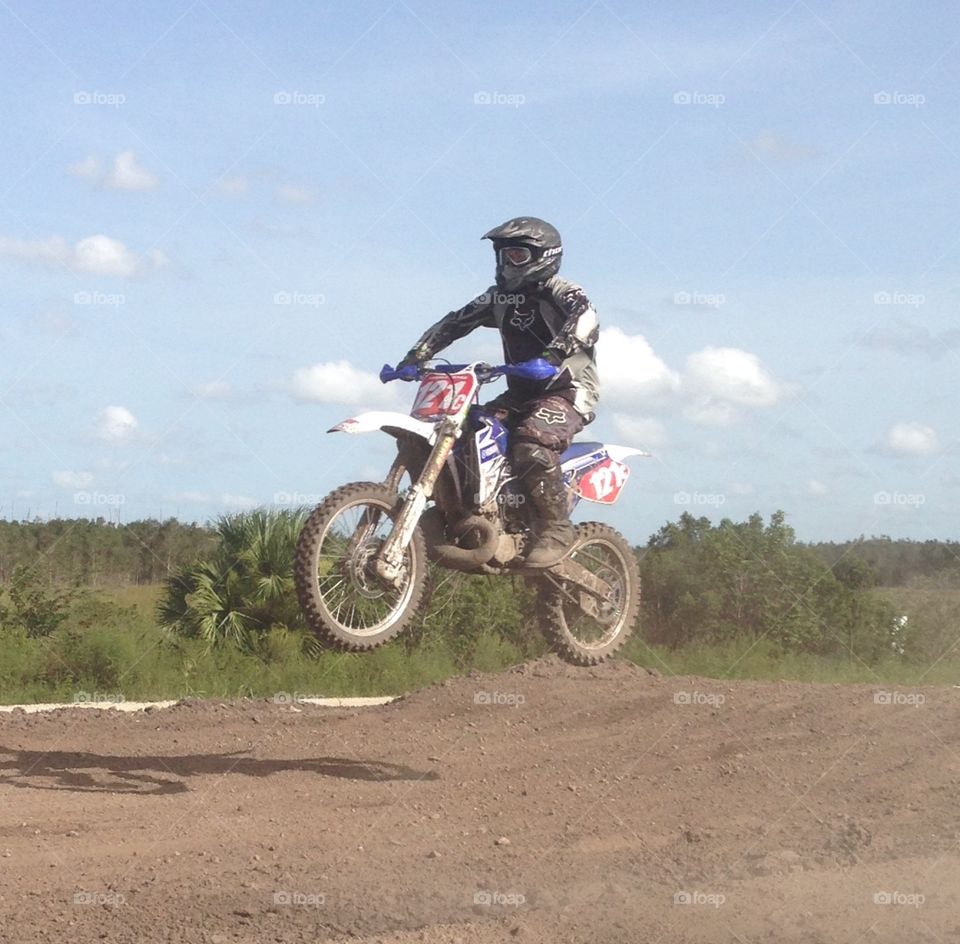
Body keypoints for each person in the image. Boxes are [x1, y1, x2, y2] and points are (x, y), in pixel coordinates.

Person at [396, 216, 599, 567]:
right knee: (467, 433)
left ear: (543, 256)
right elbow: (455, 322)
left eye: (517, 256)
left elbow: (585, 319)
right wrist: (417, 355)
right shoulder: (498, 297)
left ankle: (555, 527)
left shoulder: (563, 291)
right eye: (503, 256)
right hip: (519, 392)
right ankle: (456, 512)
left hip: (567, 390)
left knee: (532, 444)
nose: (508, 264)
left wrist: (551, 357)